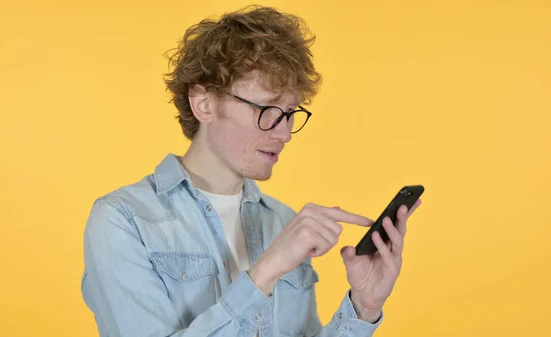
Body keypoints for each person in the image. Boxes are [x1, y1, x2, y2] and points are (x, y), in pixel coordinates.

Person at [81, 5, 422, 337]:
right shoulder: (123, 220)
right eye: (268, 110)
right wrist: (267, 270)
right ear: (204, 104)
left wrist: (362, 308)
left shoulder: (283, 222)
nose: (284, 133)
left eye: (289, 113)